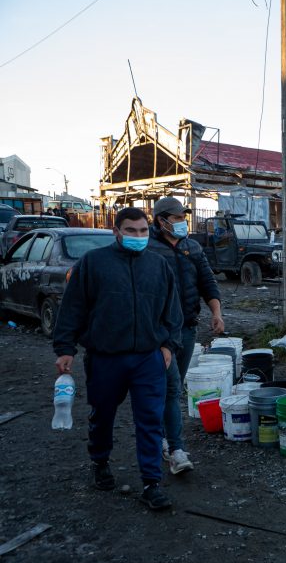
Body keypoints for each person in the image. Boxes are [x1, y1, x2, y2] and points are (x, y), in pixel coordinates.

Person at [53, 207, 182, 511]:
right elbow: (73, 308)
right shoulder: (94, 264)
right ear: (117, 232)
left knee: (150, 419)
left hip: (147, 359)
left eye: (143, 231)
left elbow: (172, 312)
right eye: (131, 231)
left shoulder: (158, 265)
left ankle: (151, 484)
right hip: (105, 357)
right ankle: (99, 461)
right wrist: (65, 348)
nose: (138, 237)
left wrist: (168, 346)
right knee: (103, 414)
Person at [149, 196, 224, 474]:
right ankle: (175, 448)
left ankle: (160, 438)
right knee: (168, 386)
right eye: (178, 218)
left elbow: (207, 282)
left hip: (187, 328)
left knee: (174, 386)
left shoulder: (192, 246)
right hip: (159, 331)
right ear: (162, 220)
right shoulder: (149, 248)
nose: (183, 222)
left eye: (183, 217)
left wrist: (216, 313)